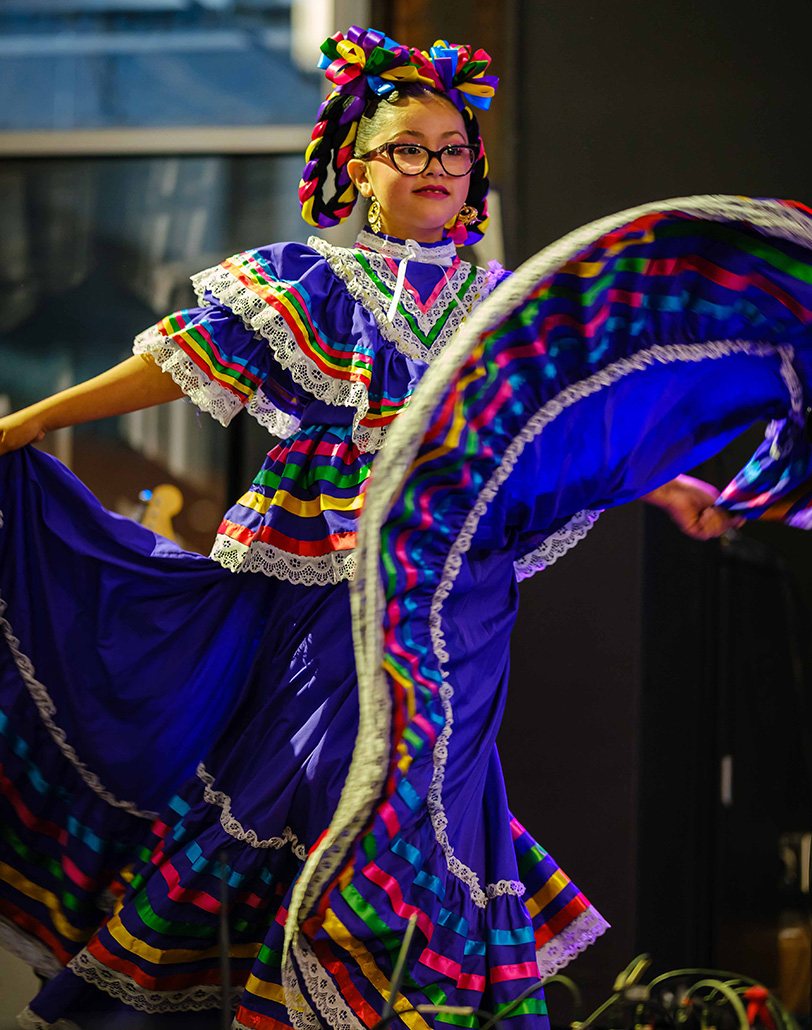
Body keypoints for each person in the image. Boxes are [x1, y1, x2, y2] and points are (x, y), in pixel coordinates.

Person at [0, 27, 776, 1030]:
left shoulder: (500, 306)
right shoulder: (314, 280)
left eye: (452, 150)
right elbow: (177, 361)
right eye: (409, 147)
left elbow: (570, 424)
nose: (435, 168)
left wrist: (669, 486)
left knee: (429, 798)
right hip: (335, 586)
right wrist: (29, 418)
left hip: (459, 589)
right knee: (321, 786)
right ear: (356, 166)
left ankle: (404, 1008)